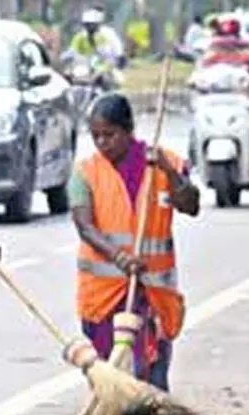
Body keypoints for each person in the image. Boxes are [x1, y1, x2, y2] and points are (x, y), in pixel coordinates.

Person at [70, 94, 199, 391]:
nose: (103, 143)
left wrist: (167, 169)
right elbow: (85, 226)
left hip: (152, 292)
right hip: (104, 297)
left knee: (151, 372)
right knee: (111, 376)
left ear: (129, 130)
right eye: (96, 136)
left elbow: (190, 205)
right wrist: (119, 257)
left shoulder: (164, 163)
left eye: (110, 135)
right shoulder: (85, 171)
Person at [200, 15, 249, 169]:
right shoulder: (210, 53)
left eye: (232, 41)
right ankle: (195, 153)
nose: (228, 47)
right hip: (213, 101)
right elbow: (199, 73)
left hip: (243, 98)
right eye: (224, 42)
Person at [64, 7, 125, 86]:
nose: (90, 27)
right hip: (86, 67)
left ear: (97, 24)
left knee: (111, 80)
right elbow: (72, 51)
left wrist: (118, 59)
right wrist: (64, 58)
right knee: (68, 75)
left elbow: (112, 54)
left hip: (103, 67)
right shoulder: (80, 37)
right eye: (87, 24)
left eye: (92, 24)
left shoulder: (105, 35)